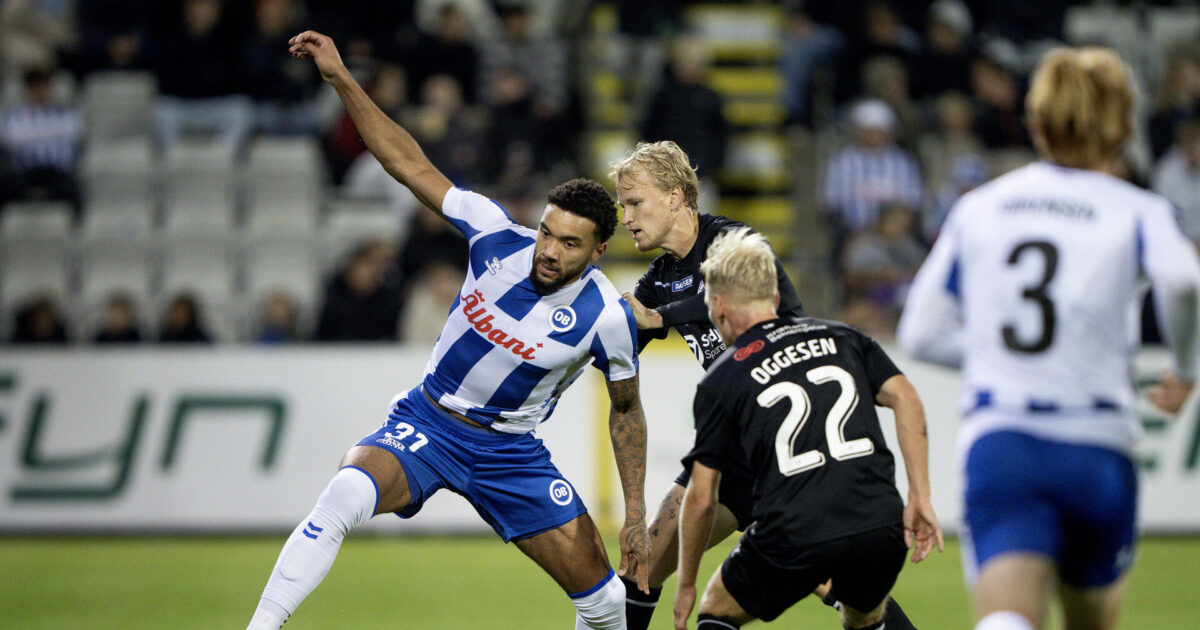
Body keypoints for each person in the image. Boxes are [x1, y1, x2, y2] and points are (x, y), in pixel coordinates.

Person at [246, 30, 650, 630]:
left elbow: (625, 411)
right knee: (344, 494)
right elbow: (406, 162)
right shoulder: (492, 235)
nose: (548, 250)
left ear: (598, 251)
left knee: (606, 604)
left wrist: (635, 515)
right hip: (427, 421)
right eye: (546, 231)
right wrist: (339, 77)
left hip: (510, 454)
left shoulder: (608, 317)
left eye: (569, 244)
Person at [898, 47, 1200, 630]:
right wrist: (1185, 369)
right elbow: (1183, 279)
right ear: (1124, 127)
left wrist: (998, 358)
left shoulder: (979, 207)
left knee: (1008, 616)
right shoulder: (1137, 209)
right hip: (1098, 442)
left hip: (1005, 439)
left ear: (1035, 123)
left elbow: (920, 330)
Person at [609, 140, 917, 630]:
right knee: (642, 566)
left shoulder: (734, 243)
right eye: (622, 206)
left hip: (787, 440)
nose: (625, 216)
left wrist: (657, 317)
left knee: (838, 587)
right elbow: (619, 338)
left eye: (634, 202)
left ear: (674, 197)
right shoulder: (661, 276)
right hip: (737, 445)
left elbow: (721, 296)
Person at [673, 227, 943, 630]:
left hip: (794, 530)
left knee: (718, 607)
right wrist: (919, 495)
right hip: (879, 523)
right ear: (776, 298)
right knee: (864, 615)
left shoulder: (721, 379)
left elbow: (700, 498)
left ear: (719, 306)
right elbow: (907, 398)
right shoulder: (845, 337)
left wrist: (687, 582)